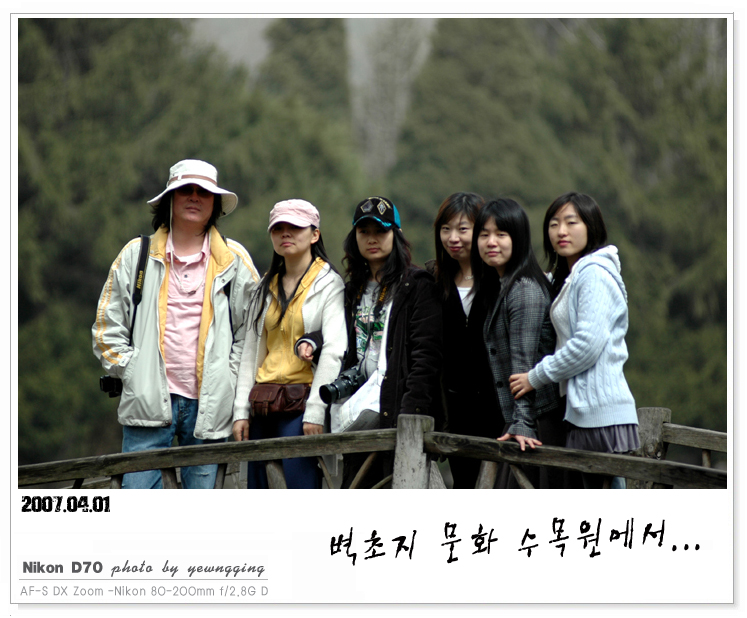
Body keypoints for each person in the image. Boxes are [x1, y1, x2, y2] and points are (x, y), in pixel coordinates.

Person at [93, 159, 259, 489]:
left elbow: (252, 331)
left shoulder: (234, 259)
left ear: (215, 203)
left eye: (204, 192)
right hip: (147, 403)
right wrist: (133, 371)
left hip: (210, 408)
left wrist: (229, 378)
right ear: (170, 198)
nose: (194, 197)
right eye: (186, 190)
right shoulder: (136, 255)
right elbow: (106, 328)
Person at [509, 192, 640, 489]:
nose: (561, 231)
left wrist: (535, 377)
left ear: (591, 227)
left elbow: (586, 346)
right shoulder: (571, 276)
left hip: (599, 411)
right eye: (554, 224)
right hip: (586, 409)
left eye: (571, 222)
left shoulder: (594, 274)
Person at [327, 196, 443, 488]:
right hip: (358, 410)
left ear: (396, 235)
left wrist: (410, 414)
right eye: (363, 231)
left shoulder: (416, 285)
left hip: (397, 411)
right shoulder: (352, 289)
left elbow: (426, 356)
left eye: (381, 231)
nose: (372, 239)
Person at [232, 199, 346, 489]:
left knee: (300, 488)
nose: (285, 233)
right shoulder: (263, 287)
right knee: (258, 490)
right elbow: (250, 353)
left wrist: (316, 411)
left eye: (295, 227)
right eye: (278, 227)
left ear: (315, 234)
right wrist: (241, 412)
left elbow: (334, 351)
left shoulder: (329, 284)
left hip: (301, 405)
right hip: (262, 404)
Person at [473, 198, 565, 489]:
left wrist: (523, 423)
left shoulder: (524, 289)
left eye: (501, 234)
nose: (491, 242)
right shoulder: (503, 285)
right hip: (523, 418)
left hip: (537, 422)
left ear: (519, 238)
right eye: (484, 234)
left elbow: (524, 364)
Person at [427, 192, 499, 489]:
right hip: (454, 410)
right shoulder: (433, 280)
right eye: (446, 229)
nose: (453, 238)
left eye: (462, 229)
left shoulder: (499, 279)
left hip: (497, 409)